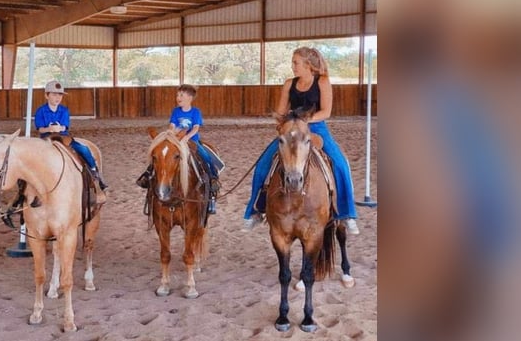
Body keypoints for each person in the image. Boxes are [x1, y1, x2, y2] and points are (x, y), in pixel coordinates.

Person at [243, 47, 359, 234]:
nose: (293, 66)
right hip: (291, 129)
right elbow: (281, 112)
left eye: (296, 62)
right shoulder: (290, 84)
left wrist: (303, 120)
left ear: (308, 64)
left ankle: (346, 214)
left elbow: (326, 112)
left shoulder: (322, 81)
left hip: (316, 128)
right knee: (263, 165)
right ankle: (255, 211)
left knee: (340, 164)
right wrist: (285, 122)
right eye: (293, 62)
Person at [136, 84, 223, 214]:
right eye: (177, 95)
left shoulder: (195, 112)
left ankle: (213, 178)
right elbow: (172, 126)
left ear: (190, 98)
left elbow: (195, 128)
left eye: (181, 95)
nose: (178, 97)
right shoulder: (176, 111)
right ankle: (148, 174)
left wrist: (187, 137)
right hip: (177, 140)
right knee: (162, 157)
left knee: (205, 156)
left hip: (192, 140)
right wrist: (171, 135)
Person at [34, 80, 108, 191]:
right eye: (54, 94)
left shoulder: (64, 110)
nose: (57, 97)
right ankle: (26, 186)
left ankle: (94, 171)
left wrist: (59, 128)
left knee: (83, 149)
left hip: (63, 137)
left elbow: (65, 126)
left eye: (60, 95)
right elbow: (40, 129)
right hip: (46, 138)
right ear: (46, 95)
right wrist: (49, 129)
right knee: (33, 157)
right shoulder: (40, 111)